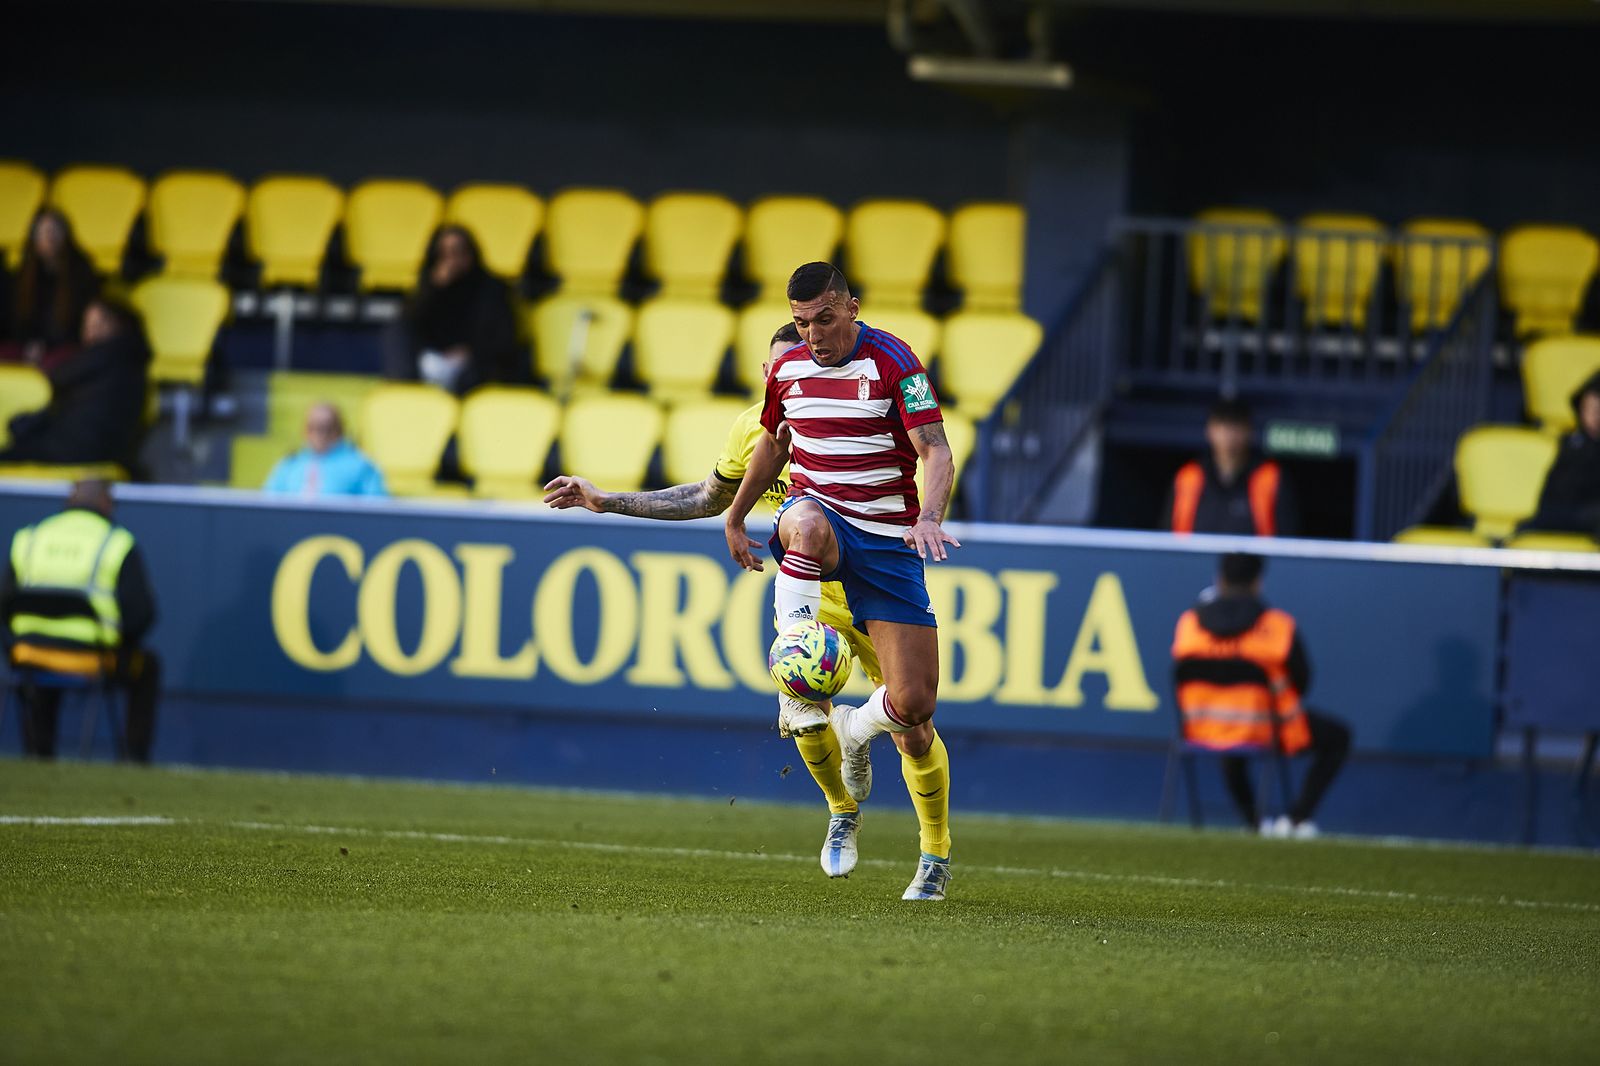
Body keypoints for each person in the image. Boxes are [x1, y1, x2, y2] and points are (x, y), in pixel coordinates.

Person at [543, 323, 889, 881]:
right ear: (767, 374)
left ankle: (875, 759)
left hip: (871, 589)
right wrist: (606, 500)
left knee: (914, 720)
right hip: (804, 593)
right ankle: (842, 812)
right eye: (780, 368)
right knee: (799, 708)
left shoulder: (855, 422)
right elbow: (707, 497)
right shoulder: (753, 430)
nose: (791, 376)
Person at [726, 262, 959, 901]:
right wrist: (738, 514)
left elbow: (935, 448)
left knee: (914, 709)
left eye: (824, 319)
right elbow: (774, 445)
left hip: (887, 541)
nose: (815, 335)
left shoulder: (896, 363)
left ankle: (858, 736)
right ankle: (797, 667)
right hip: (823, 522)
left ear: (852, 306)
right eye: (802, 323)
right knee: (800, 518)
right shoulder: (788, 369)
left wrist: (929, 518)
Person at [1171, 552, 1350, 837]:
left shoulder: (1189, 624)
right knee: (1339, 737)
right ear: (1257, 582)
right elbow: (1301, 682)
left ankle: (1252, 821)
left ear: (1219, 579)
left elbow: (1179, 676)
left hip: (1204, 729)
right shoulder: (1277, 626)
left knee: (1232, 744)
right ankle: (1296, 819)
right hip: (1268, 728)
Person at [1, 480, 161, 762]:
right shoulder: (116, 543)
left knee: (37, 675)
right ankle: (135, 760)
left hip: (27, 655)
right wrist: (117, 642)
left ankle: (38, 752)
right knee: (148, 666)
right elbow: (141, 615)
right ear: (106, 504)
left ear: (68, 502)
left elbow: (5, 604)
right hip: (92, 659)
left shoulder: (30, 538)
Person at [0, 297, 150, 469]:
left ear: (116, 324)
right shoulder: (133, 357)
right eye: (87, 323)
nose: (90, 330)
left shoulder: (105, 355)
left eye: (96, 323)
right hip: (106, 451)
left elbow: (58, 377)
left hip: (79, 450)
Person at [387, 225, 520, 396]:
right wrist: (434, 288)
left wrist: (469, 351)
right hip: (433, 358)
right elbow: (411, 322)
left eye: (457, 252)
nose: (452, 261)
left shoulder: (492, 288)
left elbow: (501, 339)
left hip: (473, 363)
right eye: (444, 254)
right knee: (396, 330)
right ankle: (403, 393)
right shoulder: (429, 285)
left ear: (471, 254)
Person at [1163, 398, 1299, 536]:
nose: (1229, 436)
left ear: (1249, 431)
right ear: (1209, 431)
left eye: (1236, 428)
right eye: (1222, 427)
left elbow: (1286, 542)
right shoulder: (1188, 478)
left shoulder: (1270, 478)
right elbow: (1168, 539)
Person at [0, 208, 98, 370]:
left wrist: (46, 345)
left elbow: (80, 326)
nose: (49, 237)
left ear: (66, 235)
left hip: (64, 346)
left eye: (55, 231)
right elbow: (16, 319)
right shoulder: (22, 275)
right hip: (27, 346)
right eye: (43, 231)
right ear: (34, 238)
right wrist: (29, 345)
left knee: (55, 365)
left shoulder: (82, 274)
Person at [1524, 370, 1600, 538]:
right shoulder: (1570, 444)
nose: (1596, 414)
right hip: (1561, 517)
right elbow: (1552, 504)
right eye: (1591, 407)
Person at [262, 403, 387, 497]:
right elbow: (268, 504)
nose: (320, 435)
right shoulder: (289, 464)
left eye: (326, 428)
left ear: (340, 430)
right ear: (305, 430)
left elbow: (376, 511)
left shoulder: (361, 466)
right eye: (313, 428)